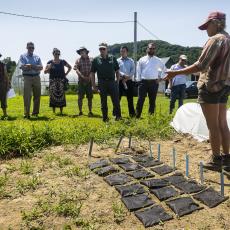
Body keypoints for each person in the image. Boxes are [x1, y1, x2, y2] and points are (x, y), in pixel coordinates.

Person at [164, 11, 230, 168]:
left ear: (216, 23)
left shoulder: (215, 40)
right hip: (224, 86)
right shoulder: (228, 38)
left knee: (212, 125)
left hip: (210, 86)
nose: (206, 29)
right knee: (222, 123)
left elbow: (201, 65)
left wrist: (175, 73)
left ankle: (216, 160)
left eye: (207, 25)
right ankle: (227, 158)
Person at [90, 42, 121, 122]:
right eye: (100, 49)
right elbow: (92, 73)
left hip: (112, 82)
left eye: (103, 48)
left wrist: (117, 81)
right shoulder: (96, 60)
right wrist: (93, 85)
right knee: (103, 101)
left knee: (116, 101)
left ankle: (118, 117)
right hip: (102, 82)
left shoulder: (112, 58)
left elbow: (117, 70)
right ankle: (105, 118)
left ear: (107, 49)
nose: (102, 50)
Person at [136, 42, 167, 118]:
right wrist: (138, 80)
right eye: (150, 48)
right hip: (143, 82)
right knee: (140, 100)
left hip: (154, 83)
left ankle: (150, 117)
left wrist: (160, 78)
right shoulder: (142, 59)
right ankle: (137, 116)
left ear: (155, 50)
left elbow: (165, 69)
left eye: (153, 49)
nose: (152, 50)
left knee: (152, 101)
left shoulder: (158, 60)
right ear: (147, 49)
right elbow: (138, 70)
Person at [19, 42, 43, 119]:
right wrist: (34, 67)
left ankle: (35, 112)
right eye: (29, 47)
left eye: (32, 47)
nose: (31, 49)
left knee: (37, 95)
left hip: (36, 77)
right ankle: (27, 113)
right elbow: (22, 66)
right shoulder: (23, 56)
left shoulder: (37, 57)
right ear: (27, 48)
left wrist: (31, 66)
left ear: (34, 48)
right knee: (27, 96)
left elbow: (41, 67)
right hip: (27, 77)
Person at [44, 48, 72, 115]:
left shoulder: (63, 61)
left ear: (59, 54)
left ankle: (61, 111)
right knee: (53, 95)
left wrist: (65, 74)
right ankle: (54, 111)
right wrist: (49, 67)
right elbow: (45, 71)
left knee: (61, 96)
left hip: (61, 81)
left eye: (58, 54)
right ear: (53, 54)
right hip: (53, 81)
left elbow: (70, 67)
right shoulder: (49, 62)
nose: (57, 55)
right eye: (55, 53)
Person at [74, 47, 93, 116]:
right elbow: (76, 69)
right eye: (80, 51)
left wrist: (89, 77)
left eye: (83, 51)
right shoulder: (78, 60)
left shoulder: (91, 59)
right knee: (80, 97)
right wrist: (82, 76)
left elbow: (93, 70)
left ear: (86, 51)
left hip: (89, 81)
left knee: (90, 97)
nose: (81, 52)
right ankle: (80, 111)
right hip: (81, 81)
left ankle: (90, 111)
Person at [117, 46, 135, 117]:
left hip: (129, 81)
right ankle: (116, 113)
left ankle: (132, 114)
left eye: (124, 51)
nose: (122, 52)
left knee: (130, 98)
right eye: (121, 51)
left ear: (127, 52)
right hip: (120, 81)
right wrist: (124, 75)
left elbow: (133, 70)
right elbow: (116, 70)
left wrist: (128, 77)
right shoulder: (117, 60)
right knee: (117, 98)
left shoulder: (131, 61)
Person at [0, 54, 9, 118]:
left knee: (3, 99)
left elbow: (6, 75)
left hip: (2, 83)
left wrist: (8, 84)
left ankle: (5, 114)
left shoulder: (3, 65)